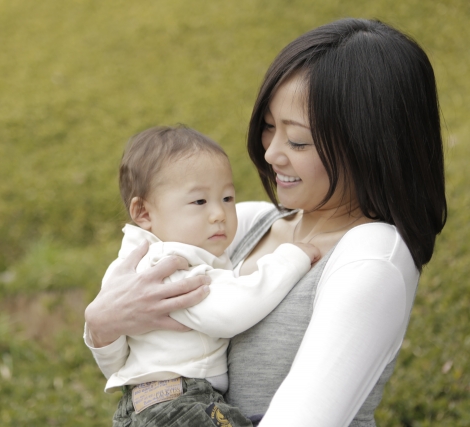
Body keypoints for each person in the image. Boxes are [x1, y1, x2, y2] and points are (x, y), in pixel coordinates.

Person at [84, 18, 447, 427]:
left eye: (298, 140)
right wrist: (101, 323)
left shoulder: (371, 258)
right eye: (269, 127)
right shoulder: (250, 221)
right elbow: (148, 347)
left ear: (367, 144)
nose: (272, 153)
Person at [88, 125, 319, 426]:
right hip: (181, 404)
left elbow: (114, 359)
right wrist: (291, 259)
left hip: (145, 405)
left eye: (227, 198)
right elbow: (230, 312)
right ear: (144, 212)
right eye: (199, 202)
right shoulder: (170, 265)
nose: (218, 214)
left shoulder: (127, 268)